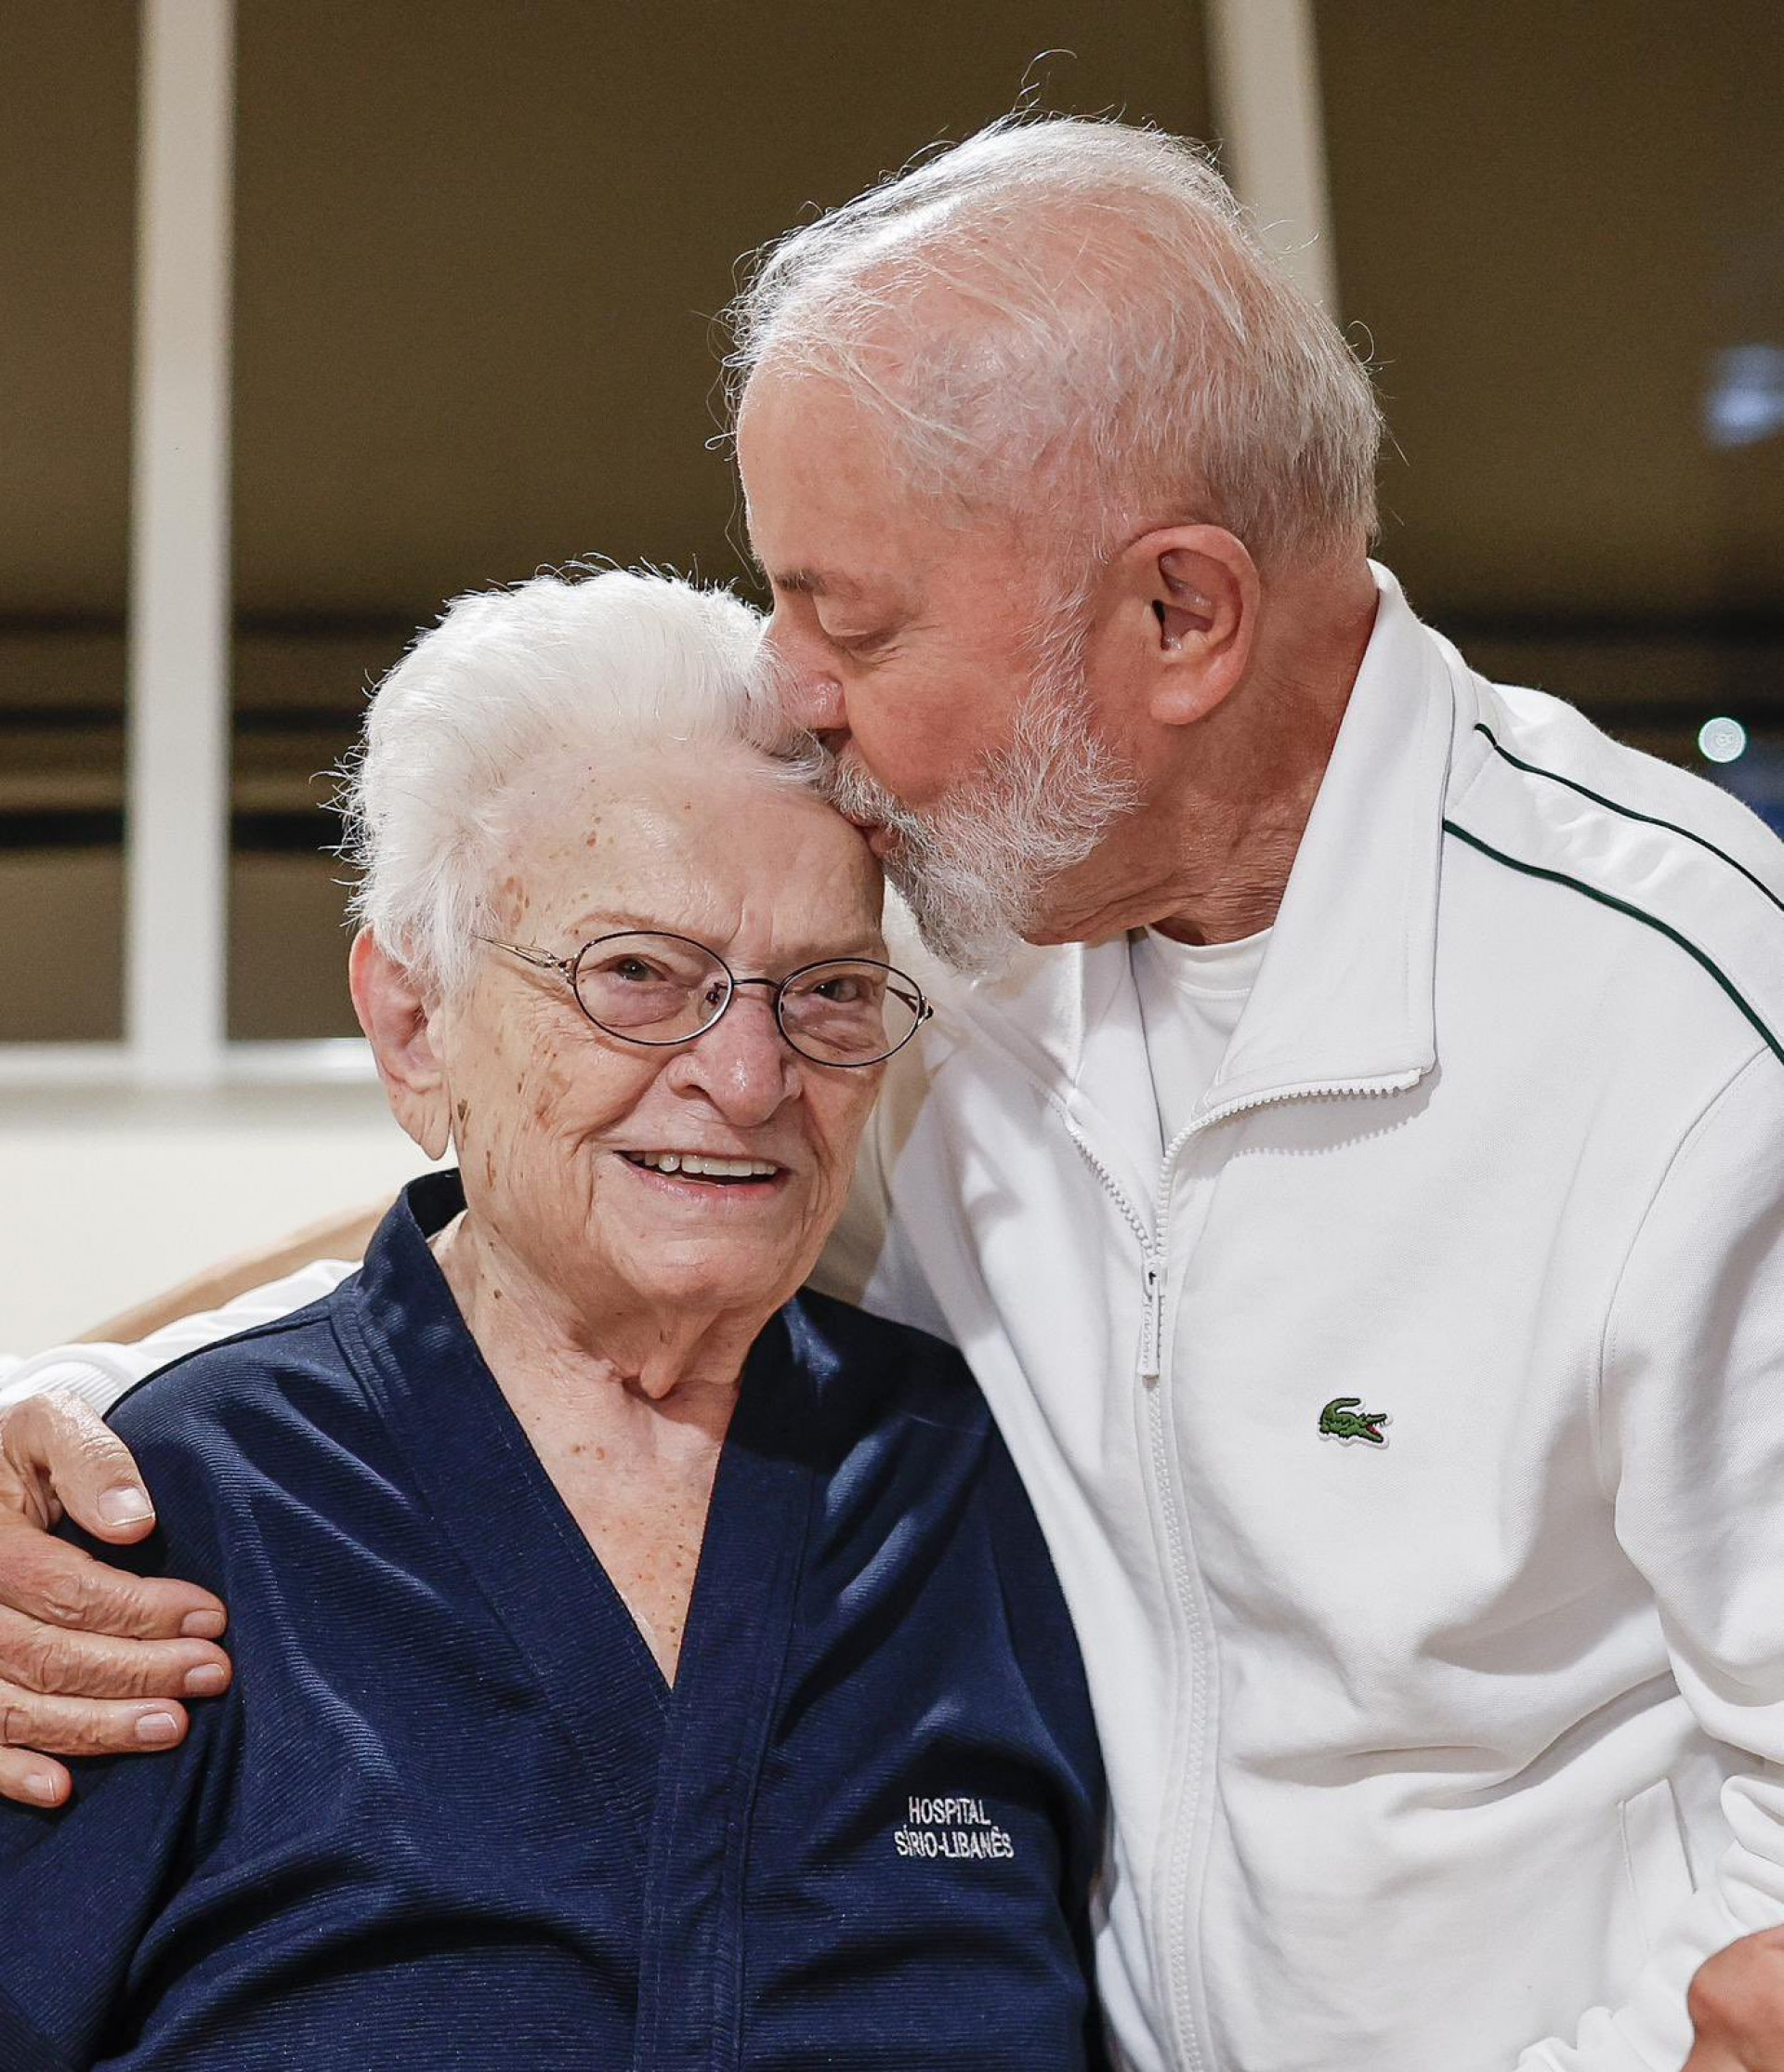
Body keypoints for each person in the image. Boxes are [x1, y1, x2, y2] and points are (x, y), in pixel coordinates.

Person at [3, 114, 1783, 2072]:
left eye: (847, 616)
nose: (789, 688)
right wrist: (84, 1404)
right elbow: (553, 1219)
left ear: (1177, 618)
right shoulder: (975, 922)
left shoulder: (1687, 1038)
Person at [0, 568, 1108, 2069]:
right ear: (415, 1024)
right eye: (638, 975)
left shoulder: (983, 1483)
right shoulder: (165, 1516)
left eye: (830, 990)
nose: (750, 1075)